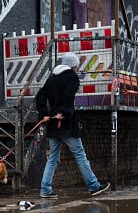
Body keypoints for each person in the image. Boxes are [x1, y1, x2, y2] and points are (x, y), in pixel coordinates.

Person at [34, 52, 110, 199]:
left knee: (53, 158)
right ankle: (93, 186)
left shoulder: (52, 78)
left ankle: (45, 189)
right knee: (80, 155)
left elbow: (40, 97)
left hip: (52, 123)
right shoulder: (72, 78)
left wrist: (43, 113)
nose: (77, 68)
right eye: (76, 66)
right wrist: (64, 112)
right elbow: (69, 98)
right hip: (66, 124)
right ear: (73, 66)